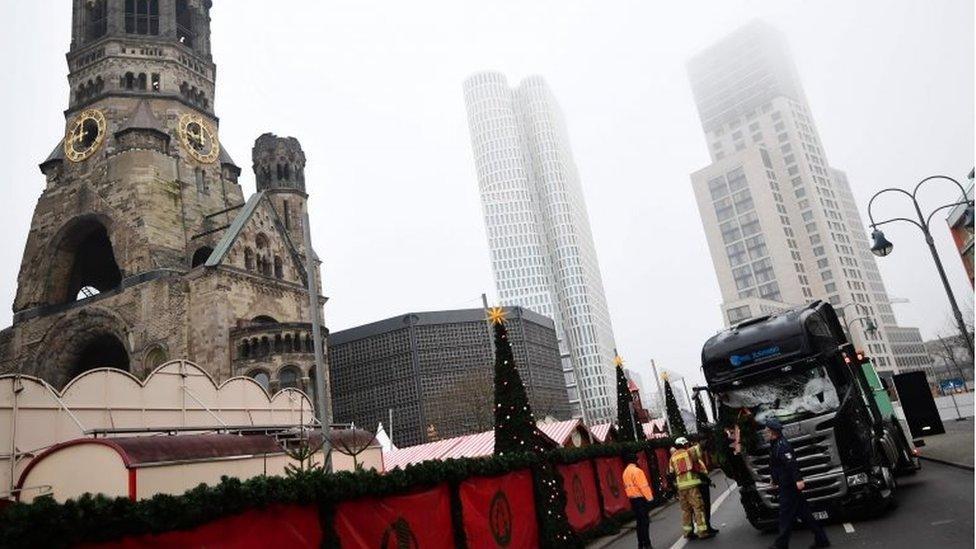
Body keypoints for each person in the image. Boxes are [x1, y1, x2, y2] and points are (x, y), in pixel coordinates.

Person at [764, 418, 830, 549]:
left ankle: (781, 544)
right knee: (805, 514)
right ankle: (821, 538)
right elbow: (776, 465)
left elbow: (791, 464)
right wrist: (774, 478)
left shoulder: (782, 446)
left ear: (773, 433)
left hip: (789, 486)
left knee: (785, 515)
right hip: (785, 484)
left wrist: (798, 480)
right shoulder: (775, 445)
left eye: (767, 431)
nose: (765, 433)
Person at [668, 437, 712, 540]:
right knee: (698, 507)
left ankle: (688, 532)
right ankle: (702, 532)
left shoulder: (672, 457)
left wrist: (674, 489)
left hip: (681, 488)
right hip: (692, 486)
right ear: (685, 444)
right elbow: (699, 447)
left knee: (686, 510)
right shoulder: (689, 452)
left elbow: (670, 473)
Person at [622, 452, 655, 549]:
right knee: (645, 522)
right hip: (640, 499)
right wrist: (650, 498)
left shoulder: (625, 473)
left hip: (632, 500)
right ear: (635, 461)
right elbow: (643, 486)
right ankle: (647, 544)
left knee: (639, 523)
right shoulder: (637, 471)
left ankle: (640, 544)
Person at [689, 441, 720, 536]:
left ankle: (706, 527)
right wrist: (708, 481)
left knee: (702, 507)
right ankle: (705, 528)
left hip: (700, 483)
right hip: (700, 484)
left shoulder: (695, 454)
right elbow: (698, 471)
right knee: (703, 507)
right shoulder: (694, 454)